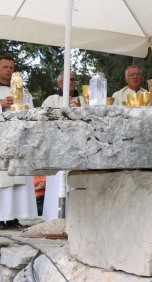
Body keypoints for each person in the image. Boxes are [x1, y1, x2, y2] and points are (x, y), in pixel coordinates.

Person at [0, 56, 38, 230]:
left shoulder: (23, 92)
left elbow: (32, 112)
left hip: (18, 141)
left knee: (18, 178)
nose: (9, 70)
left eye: (11, 68)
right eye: (5, 67)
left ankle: (15, 216)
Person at [41, 71, 85, 220]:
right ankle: (54, 217)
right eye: (66, 80)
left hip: (77, 148)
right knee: (57, 183)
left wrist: (81, 110)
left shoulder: (84, 100)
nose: (70, 82)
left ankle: (77, 218)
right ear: (59, 84)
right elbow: (43, 120)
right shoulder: (50, 100)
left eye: (72, 79)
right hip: (57, 148)